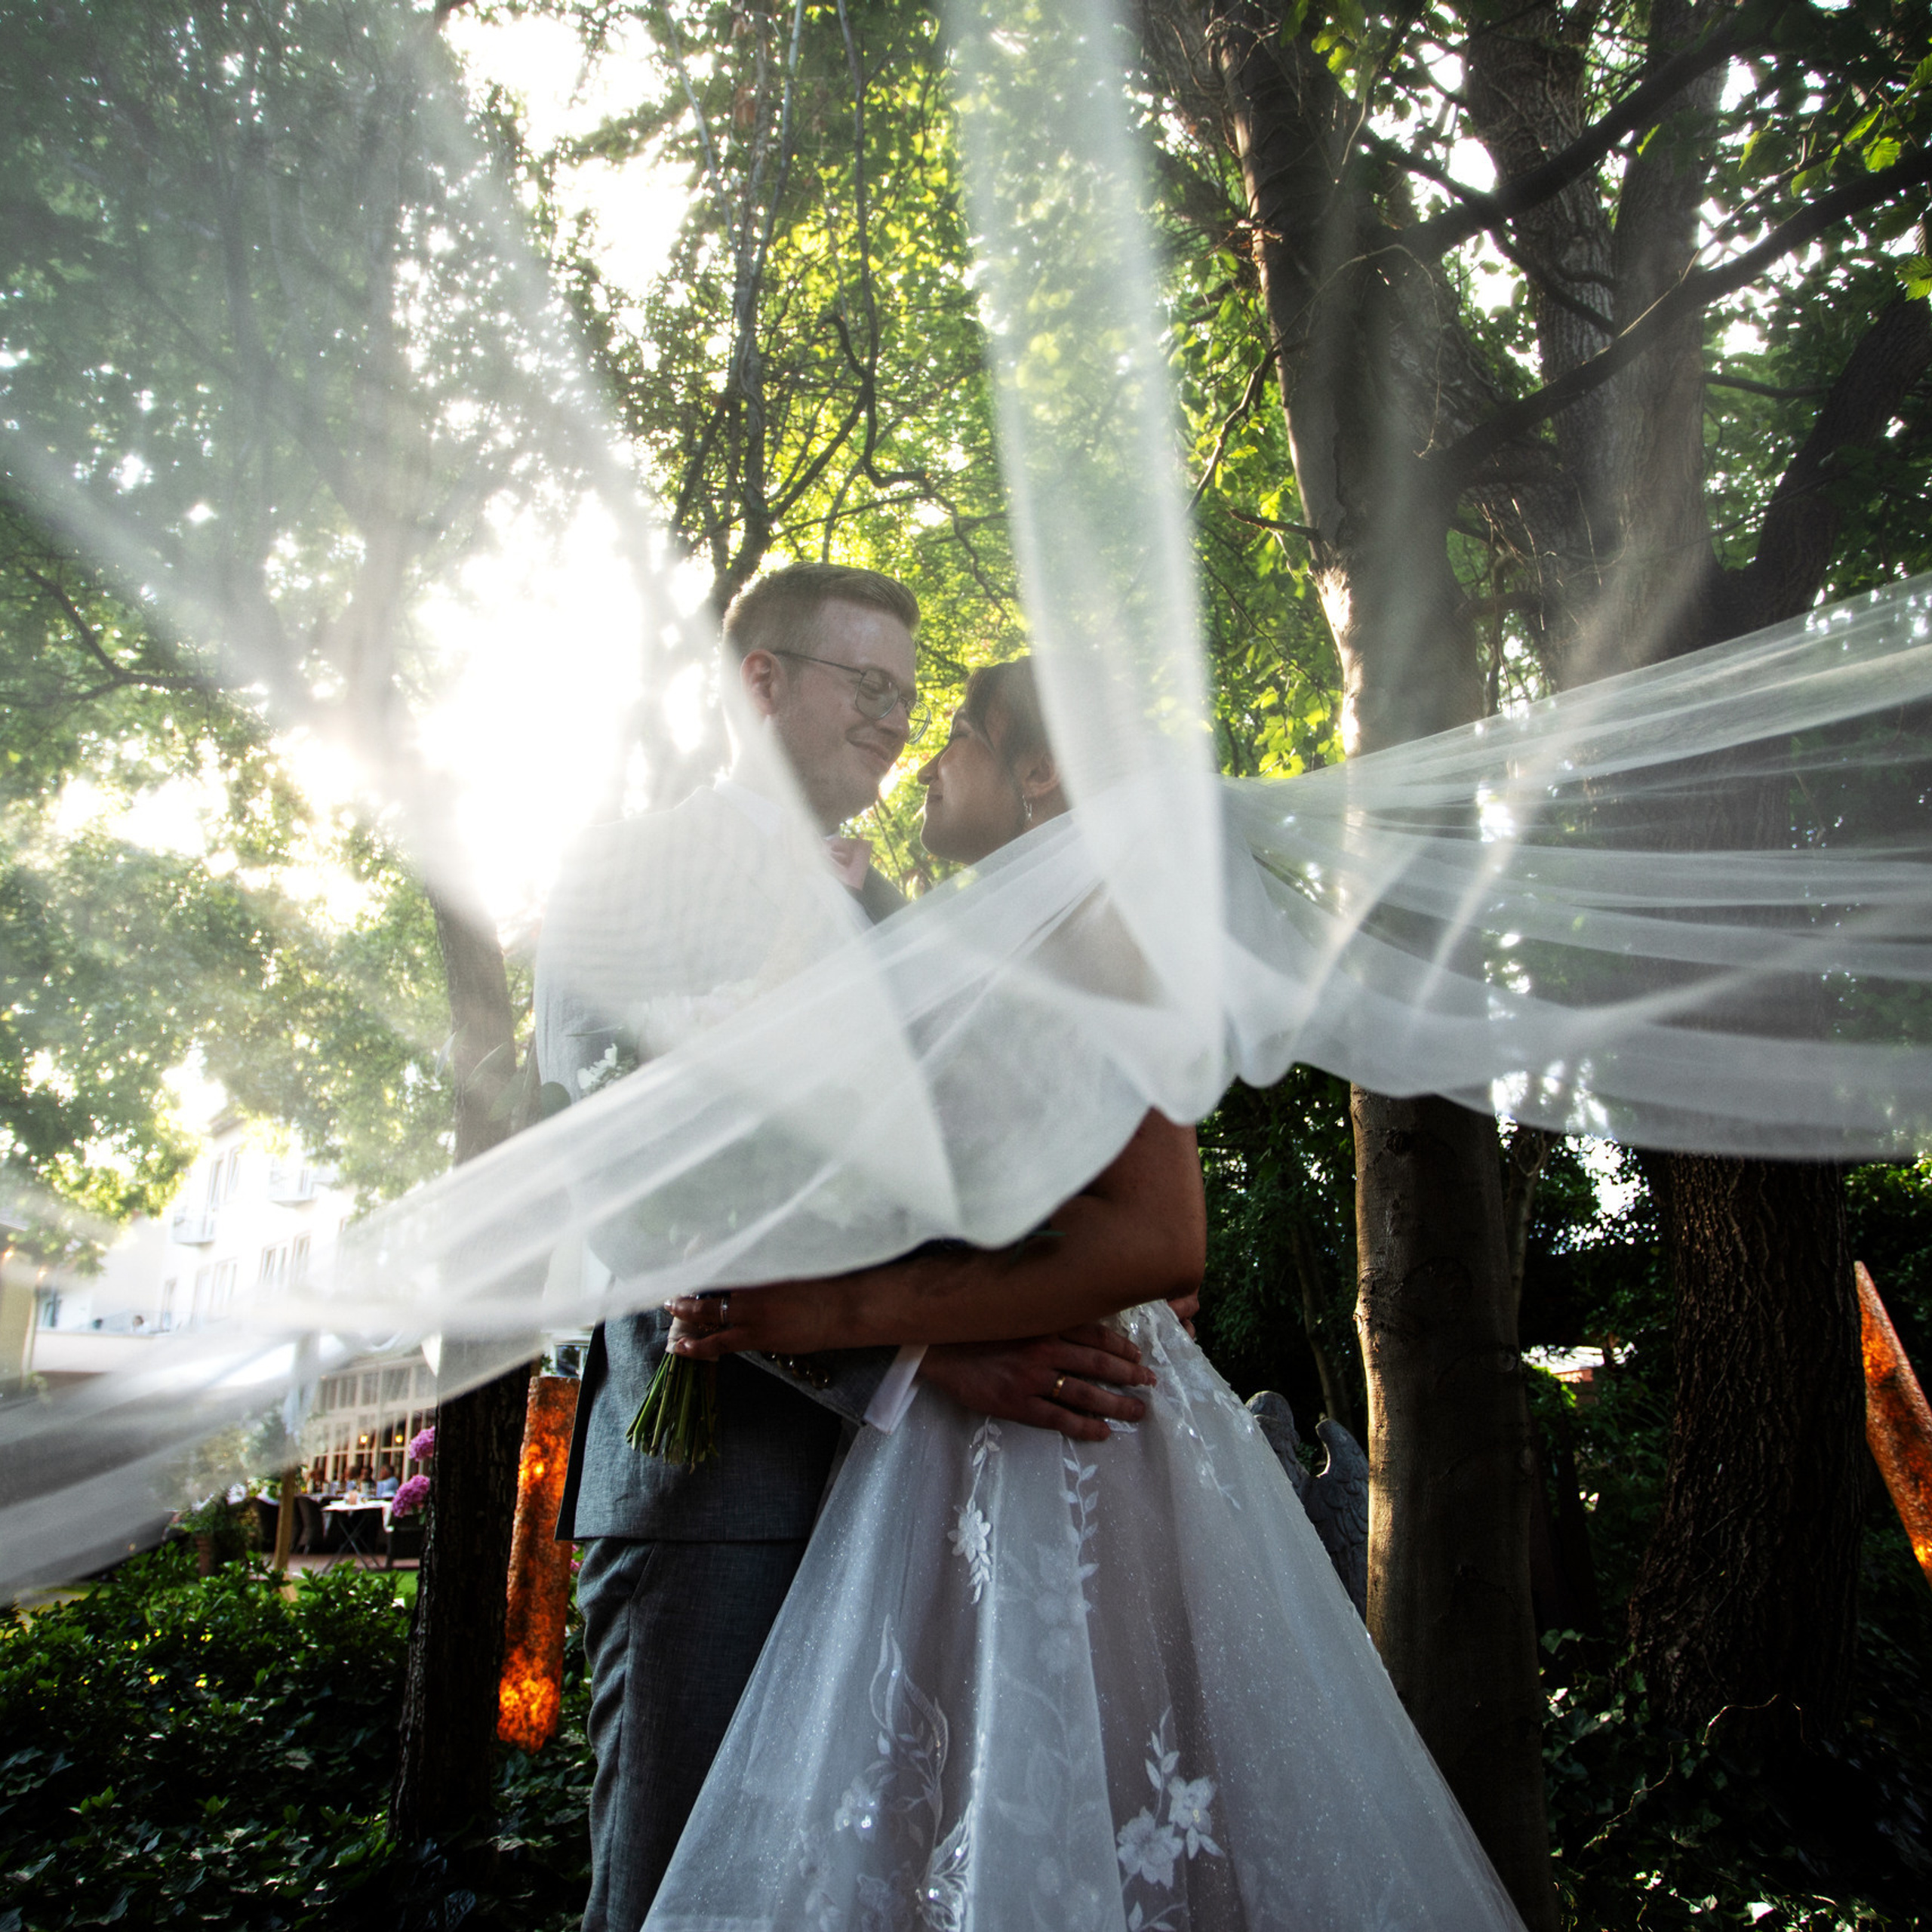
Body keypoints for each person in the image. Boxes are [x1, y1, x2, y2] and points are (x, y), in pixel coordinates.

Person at [641, 658, 1527, 1932]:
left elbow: (1163, 1243)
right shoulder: (989, 938)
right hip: (968, 1432)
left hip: (1074, 1446)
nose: (931, 760)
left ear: (1040, 773)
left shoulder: (1094, 929)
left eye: (959, 734)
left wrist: (829, 1313)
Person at [537, 574, 1180, 1932]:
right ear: (760, 681)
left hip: (931, 1513)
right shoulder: (627, 875)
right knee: (685, 1894)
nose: (896, 722)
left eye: (910, 694)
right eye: (868, 686)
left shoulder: (924, 922)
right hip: (719, 1485)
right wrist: (921, 1347)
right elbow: (630, 1192)